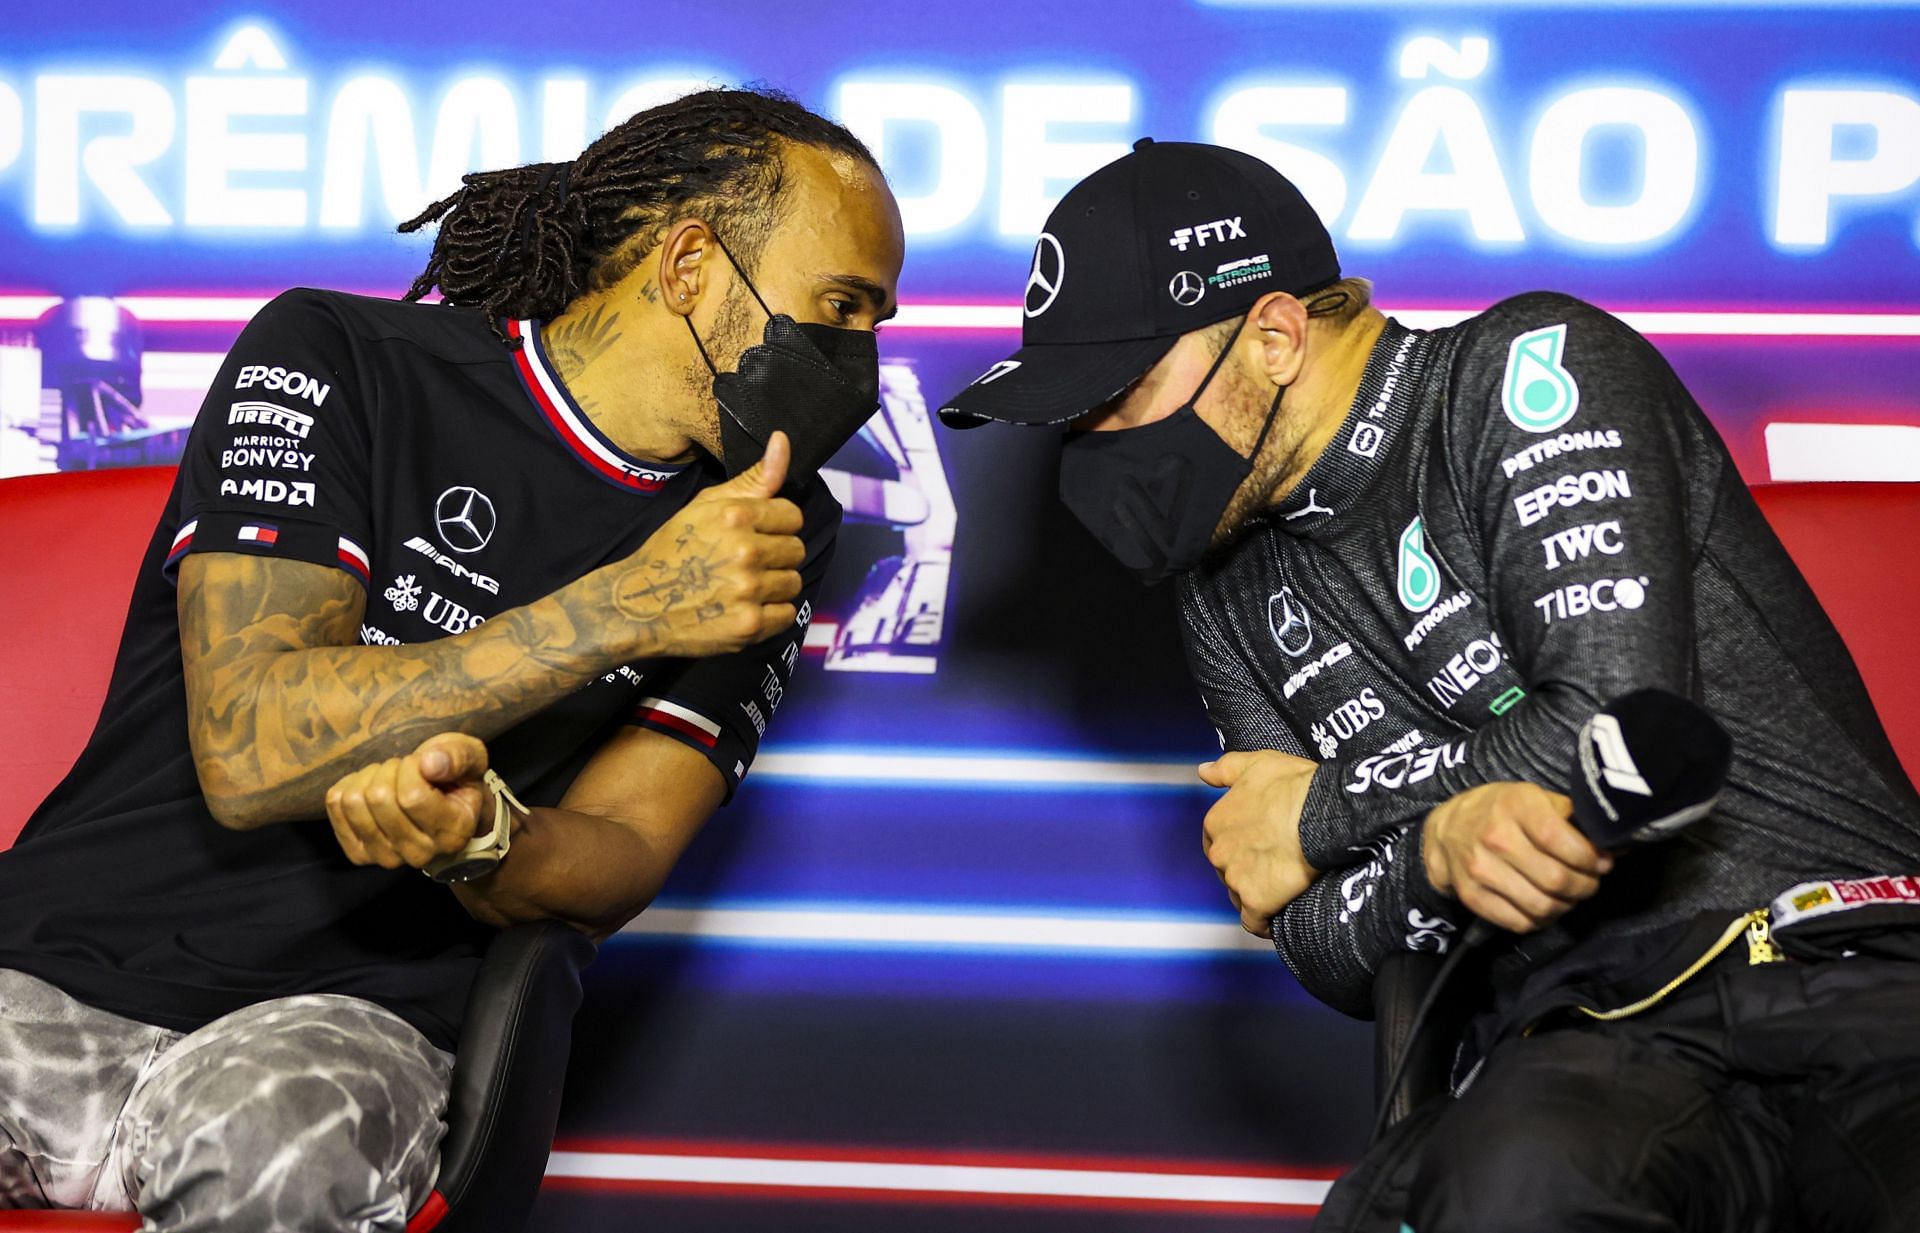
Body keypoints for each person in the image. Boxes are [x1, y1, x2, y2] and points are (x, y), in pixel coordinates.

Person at [939, 138, 1920, 1230]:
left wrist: (1326, 810)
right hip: (1584, 1039)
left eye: (1117, 396)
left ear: (1271, 335)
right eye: (1073, 417)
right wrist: (1438, 855)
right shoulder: (1222, 585)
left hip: (1852, 958)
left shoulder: (1524, 367)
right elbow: (1318, 942)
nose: (1092, 443)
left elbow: (1613, 729)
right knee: (1505, 1185)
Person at [0, 87, 903, 1231]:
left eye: (878, 321)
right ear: (689, 265)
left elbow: (627, 846)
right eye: (842, 307)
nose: (862, 357)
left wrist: (489, 838)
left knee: (286, 1145)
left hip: (331, 1030)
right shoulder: (339, 354)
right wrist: (628, 606)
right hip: (46, 977)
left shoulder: (770, 513)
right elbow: (252, 745)